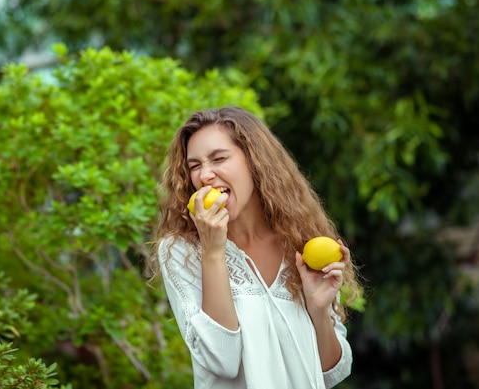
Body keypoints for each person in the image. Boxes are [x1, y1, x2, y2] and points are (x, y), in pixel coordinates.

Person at [151, 106, 361, 389]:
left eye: (219, 158)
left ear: (254, 160)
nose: (206, 175)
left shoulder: (300, 243)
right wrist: (213, 252)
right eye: (195, 166)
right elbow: (222, 361)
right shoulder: (182, 251)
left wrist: (319, 309)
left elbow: (332, 371)